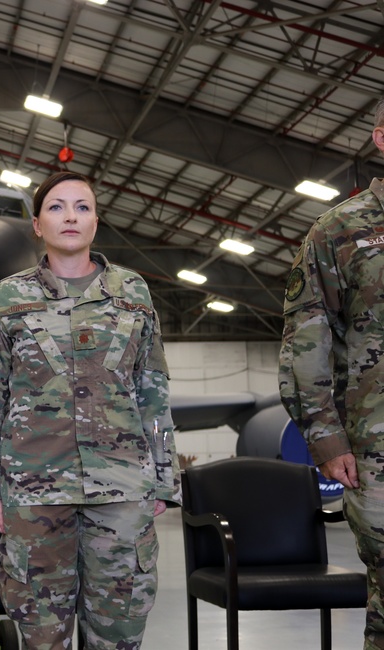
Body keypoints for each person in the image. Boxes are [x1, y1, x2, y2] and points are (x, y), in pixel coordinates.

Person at [0, 171, 180, 649]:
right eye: (57, 207)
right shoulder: (6, 299)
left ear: (96, 222)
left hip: (122, 490)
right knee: (42, 633)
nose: (70, 217)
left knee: (119, 630)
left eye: (82, 207)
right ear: (37, 225)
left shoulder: (134, 294)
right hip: (34, 491)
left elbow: (153, 391)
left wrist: (164, 480)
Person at [279, 97, 384, 649]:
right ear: (381, 138)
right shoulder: (339, 230)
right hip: (376, 445)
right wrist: (324, 435)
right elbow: (308, 338)